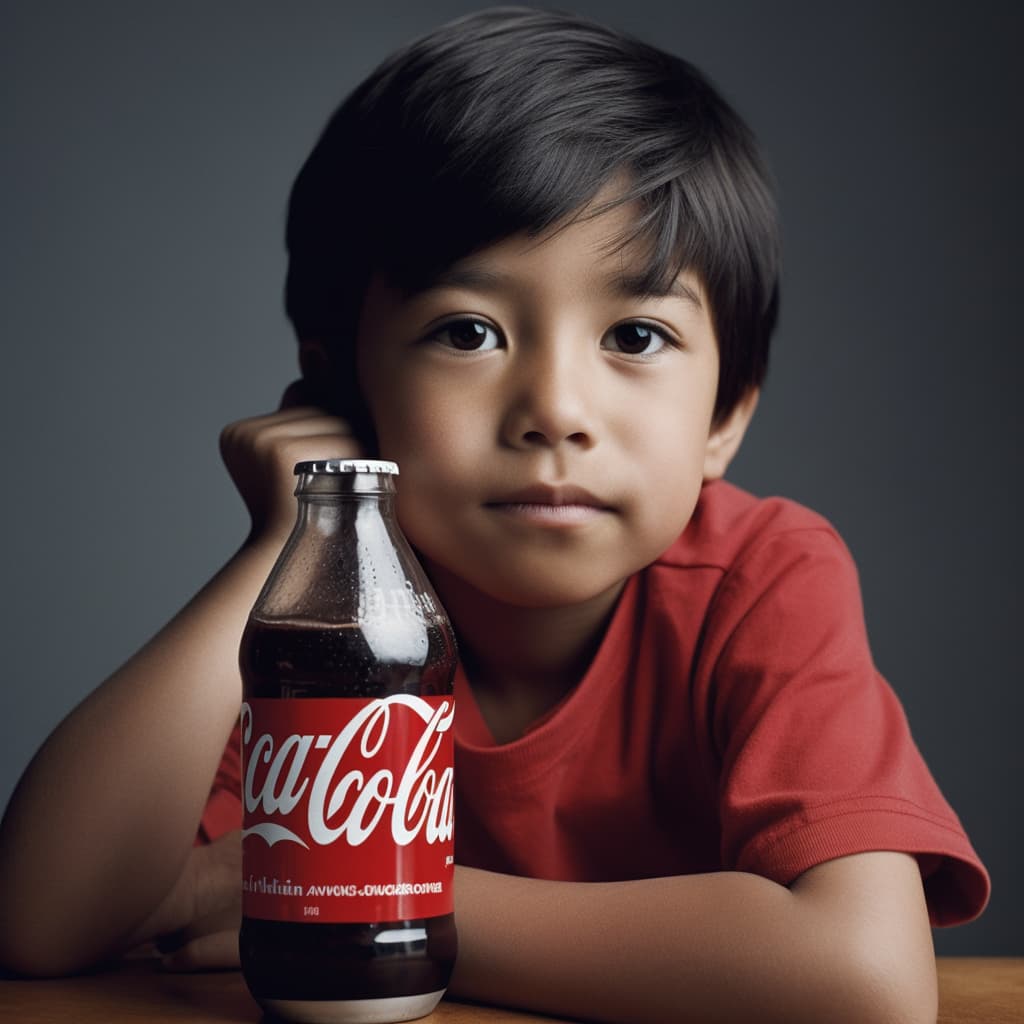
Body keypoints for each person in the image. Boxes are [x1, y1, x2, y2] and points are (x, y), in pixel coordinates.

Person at [0, 6, 989, 1022]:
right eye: (467, 330)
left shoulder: (762, 577)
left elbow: (864, 979)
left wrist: (351, 895)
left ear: (724, 419)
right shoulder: (318, 622)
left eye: (637, 336)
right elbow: (41, 922)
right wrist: (294, 535)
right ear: (343, 393)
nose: (555, 410)